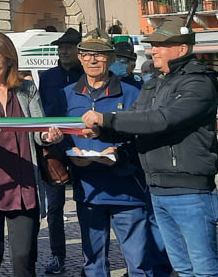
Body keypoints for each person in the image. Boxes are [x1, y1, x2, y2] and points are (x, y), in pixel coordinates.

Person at [82, 15, 218, 277]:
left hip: (189, 190)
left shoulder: (199, 81)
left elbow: (163, 120)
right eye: (152, 44)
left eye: (160, 44)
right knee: (182, 268)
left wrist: (107, 118)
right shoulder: (155, 83)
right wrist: (101, 133)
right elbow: (134, 124)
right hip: (157, 189)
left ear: (181, 49)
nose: (153, 50)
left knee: (204, 269)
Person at [64, 31, 170, 277]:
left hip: (128, 193)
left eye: (99, 55)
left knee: (139, 265)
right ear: (80, 57)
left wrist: (120, 152)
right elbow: (57, 134)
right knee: (94, 265)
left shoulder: (134, 93)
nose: (92, 60)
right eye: (87, 54)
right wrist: (66, 151)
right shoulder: (67, 94)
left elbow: (146, 136)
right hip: (89, 191)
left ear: (111, 58)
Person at [0, 32, 62, 277]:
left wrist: (49, 136)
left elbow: (39, 129)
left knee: (23, 257)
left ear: (9, 59)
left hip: (24, 184)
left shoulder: (27, 88)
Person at [36, 26, 82, 274]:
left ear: (78, 50)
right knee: (54, 208)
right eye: (61, 47)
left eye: (69, 47)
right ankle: (57, 256)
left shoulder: (86, 74)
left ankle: (92, 258)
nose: (64, 50)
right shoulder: (47, 76)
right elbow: (40, 112)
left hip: (82, 147)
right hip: (54, 148)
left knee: (87, 203)